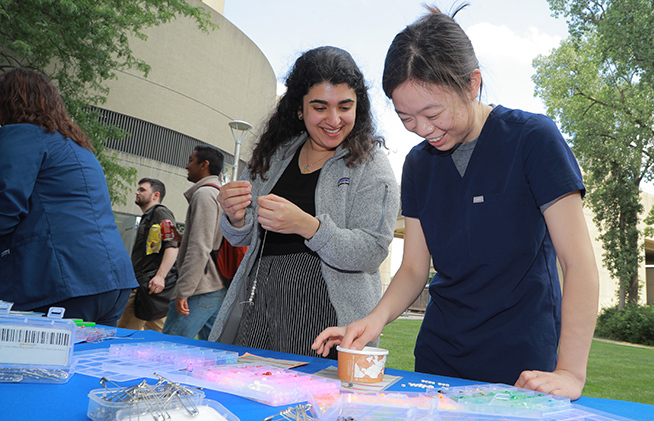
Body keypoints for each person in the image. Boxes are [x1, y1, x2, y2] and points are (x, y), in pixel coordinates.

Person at [312, 6, 599, 400]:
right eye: (406, 118)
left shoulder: (534, 140)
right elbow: (414, 267)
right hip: (439, 357)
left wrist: (569, 371)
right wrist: (372, 320)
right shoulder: (417, 164)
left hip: (521, 362)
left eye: (432, 112)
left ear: (472, 84)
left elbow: (578, 263)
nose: (424, 130)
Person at [208, 46, 400, 358]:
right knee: (247, 389)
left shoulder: (372, 164)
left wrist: (309, 227)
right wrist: (235, 216)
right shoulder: (274, 156)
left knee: (311, 402)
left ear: (358, 107)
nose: (334, 120)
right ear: (299, 108)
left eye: (345, 107)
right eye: (320, 107)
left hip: (326, 314)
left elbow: (371, 252)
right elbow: (241, 237)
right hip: (259, 302)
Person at [0, 67, 137, 326]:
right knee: (86, 364)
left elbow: (5, 207)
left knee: (29, 366)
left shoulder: (21, 135)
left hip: (60, 281)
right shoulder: (76, 145)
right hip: (111, 281)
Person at [162, 145, 226, 340]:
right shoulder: (218, 193)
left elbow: (200, 247)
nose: (186, 166)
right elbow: (213, 239)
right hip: (216, 286)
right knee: (212, 352)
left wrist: (184, 291)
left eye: (191, 160)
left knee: (170, 347)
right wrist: (183, 238)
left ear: (204, 165)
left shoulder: (204, 194)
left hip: (201, 288)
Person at [118, 178, 179, 331]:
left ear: (155, 195)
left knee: (125, 331)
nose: (137, 192)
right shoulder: (149, 216)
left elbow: (172, 246)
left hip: (149, 286)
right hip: (145, 286)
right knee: (156, 332)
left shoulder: (160, 212)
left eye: (142, 190)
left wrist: (160, 276)